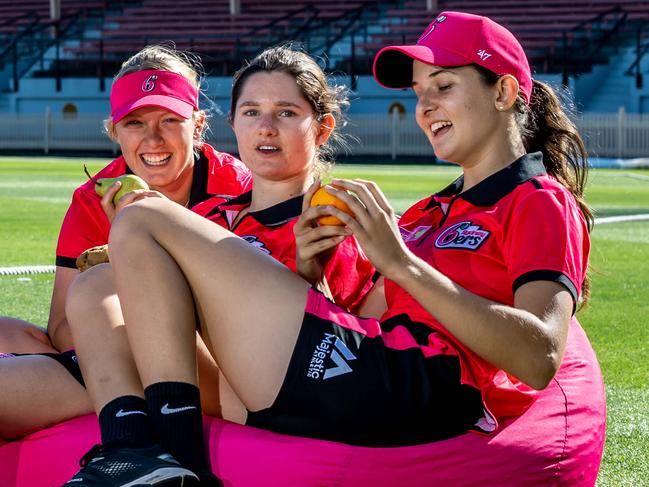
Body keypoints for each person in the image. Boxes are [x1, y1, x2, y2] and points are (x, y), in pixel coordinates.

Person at [65, 11, 592, 486]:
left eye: (445, 86)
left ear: (503, 93)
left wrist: (403, 265)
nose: (425, 106)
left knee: (144, 216)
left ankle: (176, 462)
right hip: (352, 369)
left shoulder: (538, 200)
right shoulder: (431, 211)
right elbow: (364, 317)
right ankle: (134, 448)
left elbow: (540, 356)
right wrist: (309, 276)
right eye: (418, 92)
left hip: (416, 392)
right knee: (96, 286)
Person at [0, 45, 252, 439]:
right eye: (135, 123)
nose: (153, 138)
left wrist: (135, 254)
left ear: (198, 125)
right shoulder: (92, 199)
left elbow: (250, 322)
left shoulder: (237, 189)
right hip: (114, 346)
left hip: (211, 362)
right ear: (114, 130)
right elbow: (64, 330)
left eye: (170, 119)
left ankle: (127, 423)